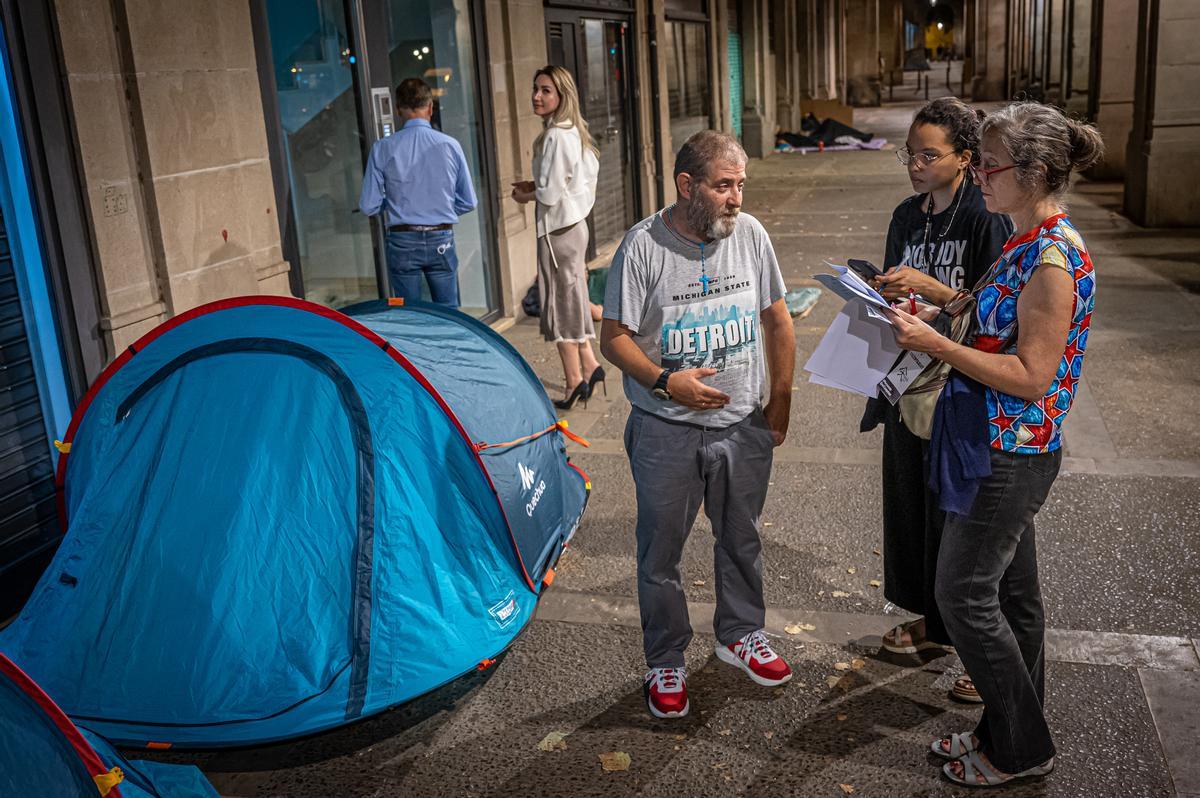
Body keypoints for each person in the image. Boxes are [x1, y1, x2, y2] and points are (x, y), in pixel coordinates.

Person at [885, 101, 1102, 787]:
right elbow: (993, 320)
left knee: (963, 596)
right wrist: (944, 302)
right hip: (991, 440)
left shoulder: (1053, 261)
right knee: (1013, 601)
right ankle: (1005, 730)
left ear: (1033, 173)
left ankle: (1021, 745)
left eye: (989, 163)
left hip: (1013, 451)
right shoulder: (1020, 238)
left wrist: (936, 343)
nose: (977, 172)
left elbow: (1033, 375)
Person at [600, 130, 796, 719]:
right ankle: (665, 659)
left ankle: (740, 635)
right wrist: (666, 381)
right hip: (665, 428)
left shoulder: (751, 236)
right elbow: (614, 339)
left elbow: (779, 322)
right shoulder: (641, 248)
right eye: (724, 185)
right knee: (660, 553)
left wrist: (779, 401)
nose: (737, 198)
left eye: (741, 185)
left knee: (742, 538)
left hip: (743, 426)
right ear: (687, 186)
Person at [861, 98, 1012, 705]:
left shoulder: (985, 218)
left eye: (929, 154)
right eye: (910, 153)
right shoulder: (907, 215)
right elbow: (900, 294)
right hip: (908, 380)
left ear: (965, 160)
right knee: (914, 507)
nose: (915, 165)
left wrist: (931, 289)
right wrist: (880, 296)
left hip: (962, 386)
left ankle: (981, 646)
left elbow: (993, 315)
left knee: (965, 517)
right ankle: (936, 623)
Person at [510, 66, 601, 409]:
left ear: (562, 95)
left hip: (557, 231)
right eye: (536, 88)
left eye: (546, 90)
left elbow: (549, 194)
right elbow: (575, 182)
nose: (537, 95)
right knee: (573, 299)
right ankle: (589, 366)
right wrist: (536, 187)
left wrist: (528, 193)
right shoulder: (575, 133)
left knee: (559, 305)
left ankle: (574, 380)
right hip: (574, 227)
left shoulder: (555, 137)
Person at [359, 78, 477, 307]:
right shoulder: (450, 145)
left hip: (402, 239)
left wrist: (392, 204)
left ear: (397, 110)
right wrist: (439, 207)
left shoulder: (382, 148)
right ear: (431, 107)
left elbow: (368, 205)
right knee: (449, 313)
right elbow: (469, 201)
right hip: (441, 237)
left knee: (409, 314)